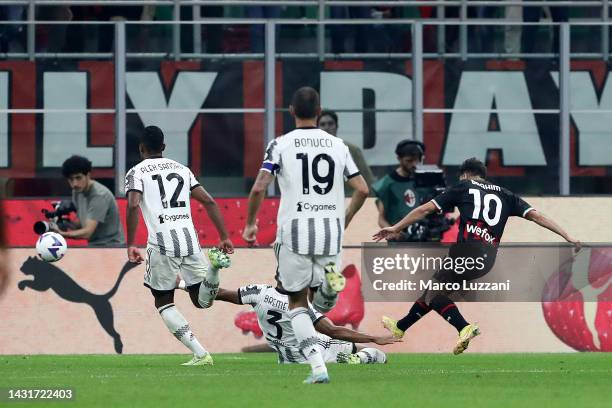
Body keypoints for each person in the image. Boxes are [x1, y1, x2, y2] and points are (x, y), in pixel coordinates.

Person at [374, 157, 580, 354]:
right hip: (487, 259)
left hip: (466, 252)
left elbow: (425, 209)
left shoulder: (464, 187)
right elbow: (537, 216)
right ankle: (400, 327)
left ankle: (464, 327)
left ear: (465, 175)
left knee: (434, 294)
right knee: (432, 290)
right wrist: (567, 235)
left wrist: (396, 226)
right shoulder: (506, 194)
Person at [242, 87, 369, 384]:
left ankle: (317, 369)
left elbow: (260, 186)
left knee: (296, 303)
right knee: (320, 300)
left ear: (290, 111)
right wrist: (344, 219)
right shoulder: (338, 146)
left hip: (295, 230)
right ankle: (329, 288)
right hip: (330, 230)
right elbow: (362, 189)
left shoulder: (280, 144)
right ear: (320, 110)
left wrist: (250, 224)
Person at [125, 125, 234, 366]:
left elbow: (133, 204)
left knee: (163, 300)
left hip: (162, 242)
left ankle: (200, 353)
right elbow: (209, 200)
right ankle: (214, 268)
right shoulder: (181, 170)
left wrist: (131, 242)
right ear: (163, 147)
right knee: (202, 300)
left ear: (141, 148)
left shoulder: (136, 172)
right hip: (189, 240)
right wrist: (224, 235)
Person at [178, 280, 396, 364]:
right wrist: (376, 338)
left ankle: (353, 356)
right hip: (315, 351)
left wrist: (181, 283)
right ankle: (357, 359)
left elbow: (220, 292)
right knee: (378, 356)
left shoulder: (259, 292)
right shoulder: (299, 304)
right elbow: (333, 331)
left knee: (350, 346)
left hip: (287, 359)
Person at [58, 155, 124, 246]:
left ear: (88, 175)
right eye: (71, 179)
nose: (75, 184)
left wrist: (61, 234)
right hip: (94, 246)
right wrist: (63, 224)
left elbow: (87, 232)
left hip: (112, 246)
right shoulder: (76, 191)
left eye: (78, 178)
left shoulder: (99, 195)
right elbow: (82, 222)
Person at [372, 140, 427, 238]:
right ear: (399, 158)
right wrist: (393, 232)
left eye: (417, 160)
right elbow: (381, 219)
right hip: (400, 242)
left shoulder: (425, 180)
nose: (414, 164)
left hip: (424, 238)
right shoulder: (386, 184)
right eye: (409, 161)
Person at [317, 110, 376, 193]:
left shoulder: (351, 150)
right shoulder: (312, 152)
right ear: (317, 128)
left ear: (336, 126)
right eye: (322, 124)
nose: (327, 127)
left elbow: (368, 180)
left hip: (348, 201)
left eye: (330, 124)